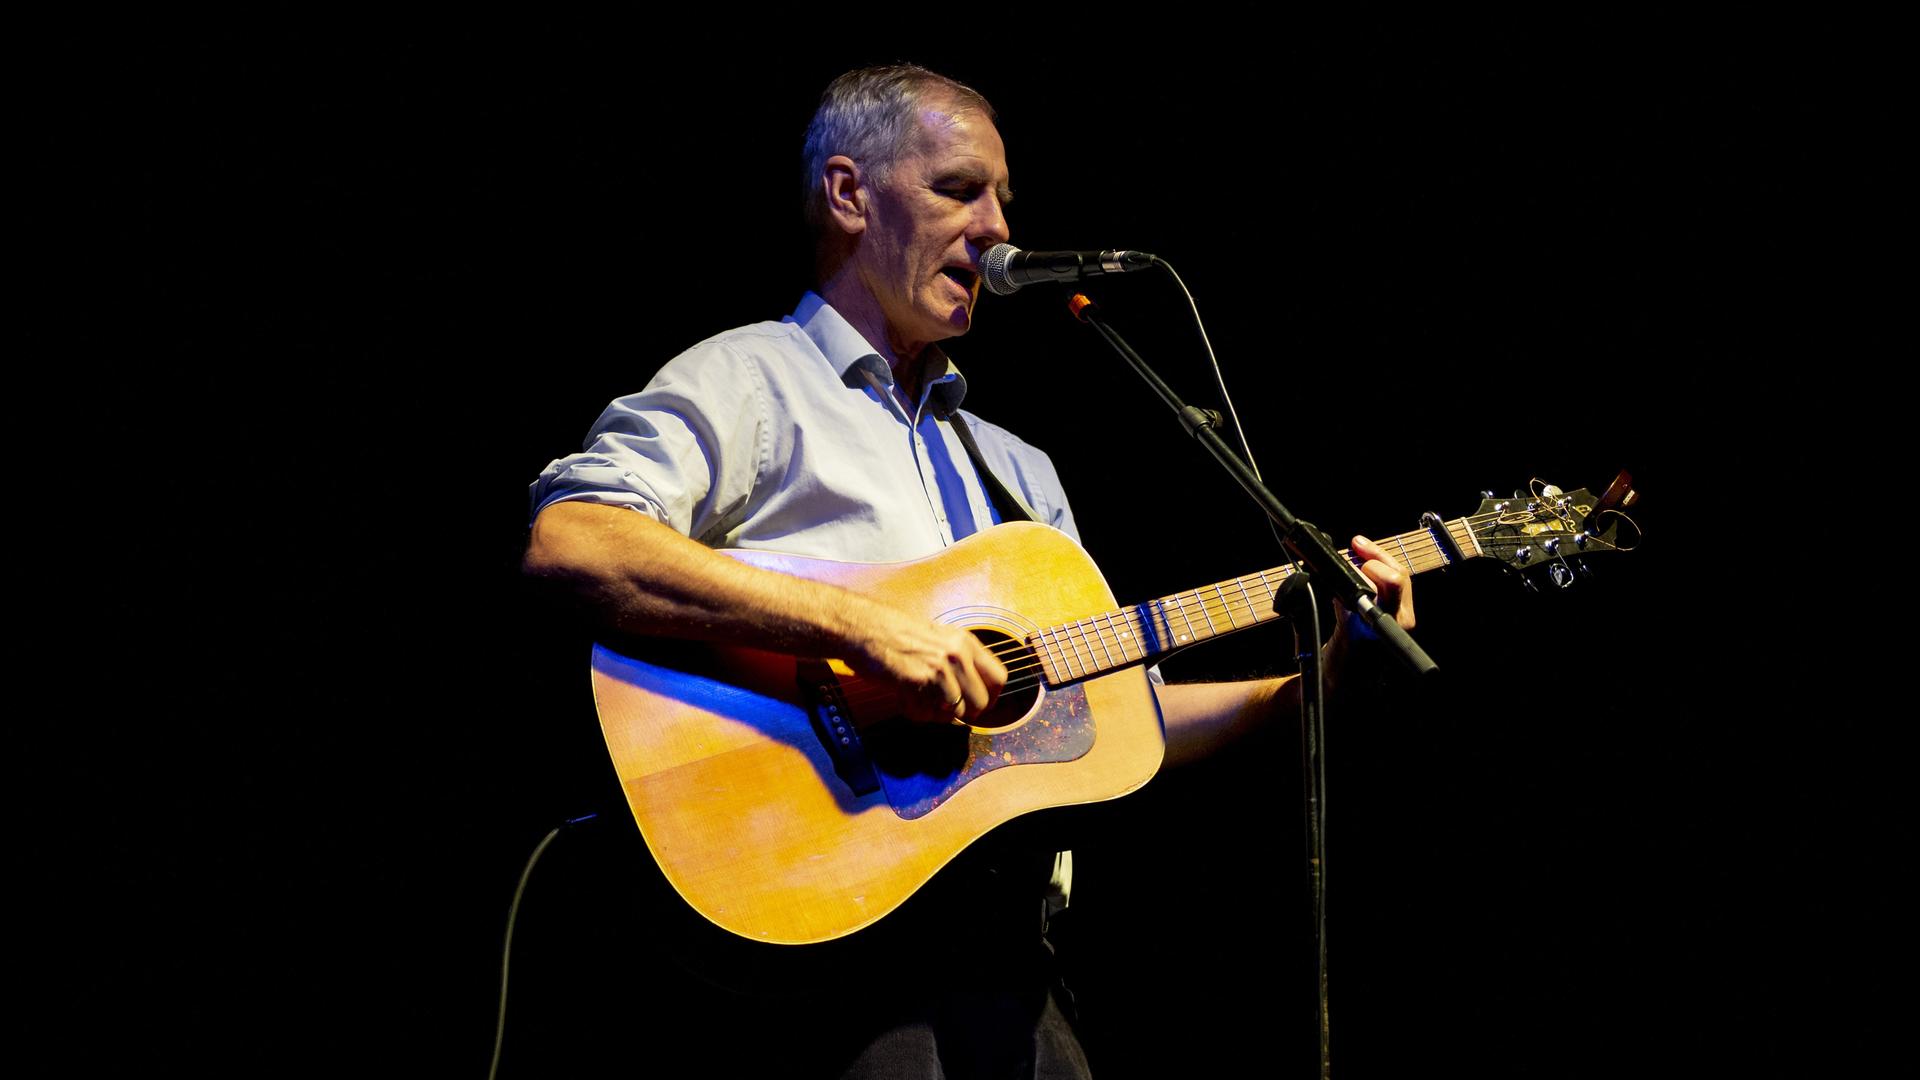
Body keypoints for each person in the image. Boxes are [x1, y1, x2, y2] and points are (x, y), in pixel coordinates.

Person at [524, 64, 1414, 1079]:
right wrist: (855, 628)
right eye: (958, 189)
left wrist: (1322, 680)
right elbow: (578, 541)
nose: (995, 227)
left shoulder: (1018, 471)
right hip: (833, 956)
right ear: (849, 195)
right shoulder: (749, 382)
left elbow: (1131, 725)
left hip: (1016, 967)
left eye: (1002, 199)